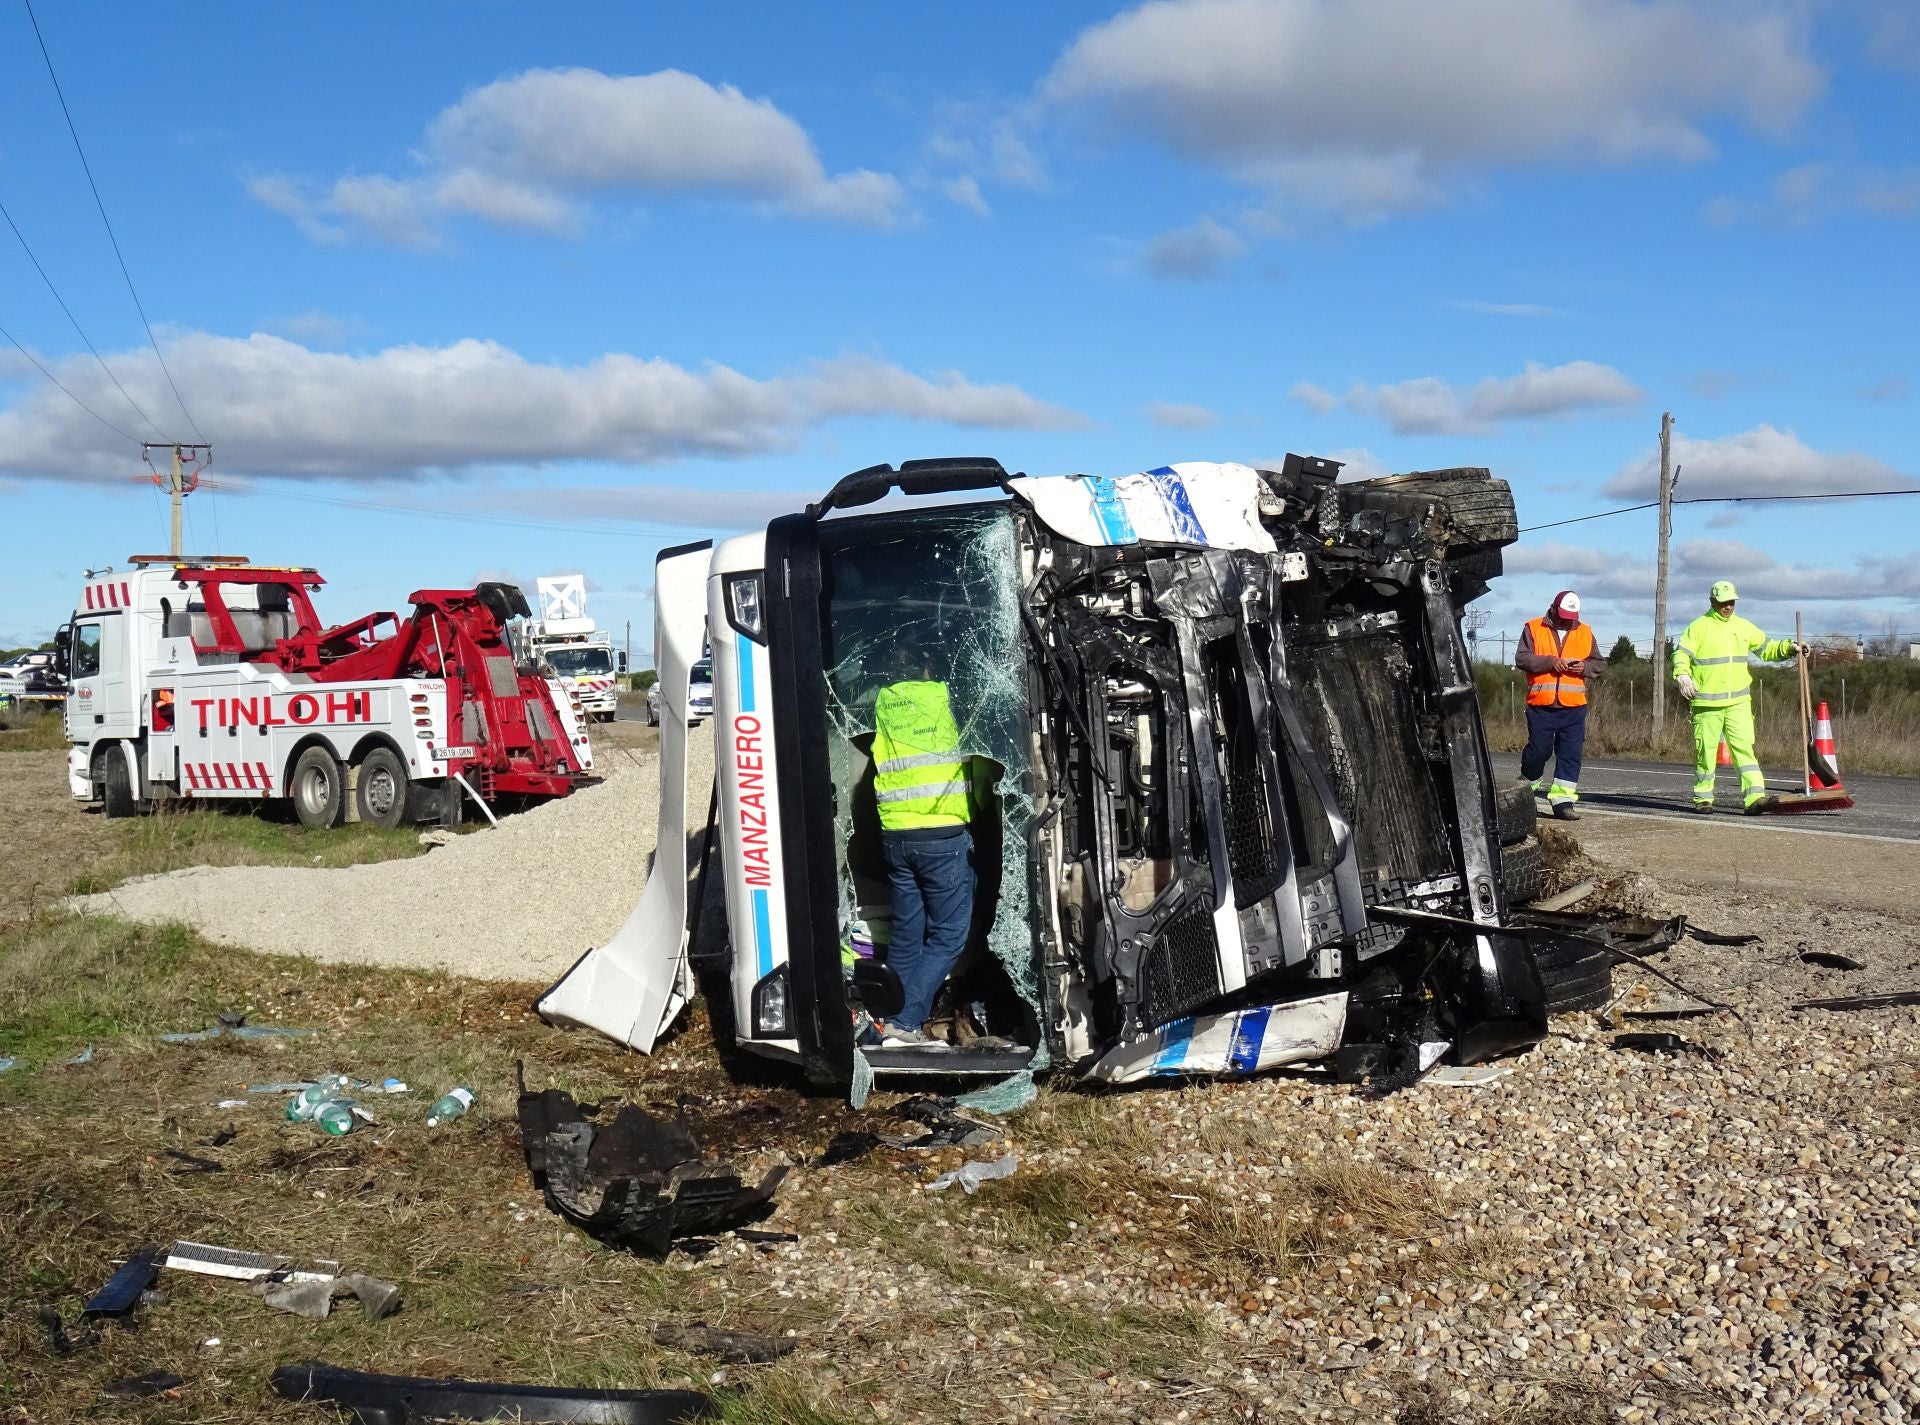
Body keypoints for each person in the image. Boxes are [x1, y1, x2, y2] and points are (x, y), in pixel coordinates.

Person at [869, 652, 974, 1047]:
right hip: (940, 832)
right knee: (949, 935)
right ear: (930, 663)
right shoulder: (946, 695)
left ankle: (885, 1019)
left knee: (908, 932)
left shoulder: (884, 701)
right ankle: (907, 1020)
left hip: (895, 833)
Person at [1671, 580, 1805, 815]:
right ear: (1713, 602)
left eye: (1732, 602)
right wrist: (1682, 675)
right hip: (1706, 703)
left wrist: (1789, 648)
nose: (1728, 606)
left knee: (1744, 750)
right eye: (1724, 602)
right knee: (1706, 753)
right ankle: (1703, 798)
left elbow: (1766, 648)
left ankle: (1755, 798)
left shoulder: (1743, 627)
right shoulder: (1698, 627)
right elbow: (1681, 654)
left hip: (1738, 703)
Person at [1514, 590, 1604, 820]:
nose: (1567, 620)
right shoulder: (1533, 627)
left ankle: (1563, 801)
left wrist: (1582, 668)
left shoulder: (1585, 631)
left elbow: (1599, 664)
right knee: (1538, 752)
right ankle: (1525, 793)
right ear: (1552, 609)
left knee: (1570, 753)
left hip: (1574, 707)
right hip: (1541, 705)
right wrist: (1553, 662)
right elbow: (1522, 659)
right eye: (1563, 615)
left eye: (1571, 616)